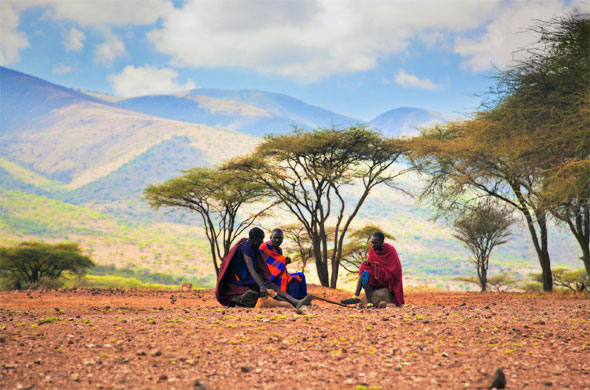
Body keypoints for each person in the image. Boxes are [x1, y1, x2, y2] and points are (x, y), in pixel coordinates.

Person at [215, 227, 313, 308]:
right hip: (241, 278)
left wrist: (263, 283)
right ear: (254, 238)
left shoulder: (253, 247)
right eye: (260, 239)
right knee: (268, 287)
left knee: (271, 285)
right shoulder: (246, 248)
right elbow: (251, 268)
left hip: (248, 276)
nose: (262, 241)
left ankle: (295, 302)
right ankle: (294, 303)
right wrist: (261, 286)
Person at [341, 232, 404, 308]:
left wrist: (374, 266)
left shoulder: (390, 250)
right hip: (376, 275)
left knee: (365, 267)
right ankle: (368, 302)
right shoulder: (372, 250)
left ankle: (356, 297)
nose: (373, 245)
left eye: (375, 243)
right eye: (372, 243)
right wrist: (369, 263)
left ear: (381, 242)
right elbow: (371, 264)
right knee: (365, 272)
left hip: (388, 277)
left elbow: (396, 270)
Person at [259, 228, 307, 300]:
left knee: (300, 275)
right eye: (275, 238)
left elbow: (279, 265)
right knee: (292, 279)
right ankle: (294, 300)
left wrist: (285, 261)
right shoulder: (264, 247)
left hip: (278, 274)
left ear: (283, 239)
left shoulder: (279, 250)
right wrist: (283, 261)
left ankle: (303, 298)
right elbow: (263, 264)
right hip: (268, 277)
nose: (277, 240)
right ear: (270, 237)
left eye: (280, 238)